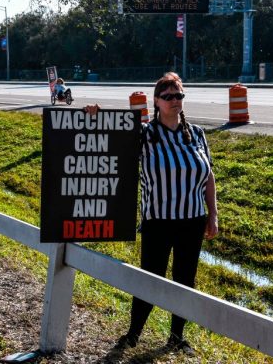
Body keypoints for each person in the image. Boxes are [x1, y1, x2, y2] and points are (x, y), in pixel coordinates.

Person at [86, 72, 218, 353]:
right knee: (149, 279)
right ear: (156, 101)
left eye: (179, 95)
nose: (174, 100)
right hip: (158, 221)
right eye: (168, 96)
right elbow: (112, 141)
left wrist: (213, 214)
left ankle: (176, 336)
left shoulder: (196, 134)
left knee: (185, 280)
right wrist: (94, 117)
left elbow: (209, 177)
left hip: (192, 220)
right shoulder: (146, 135)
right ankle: (133, 334)